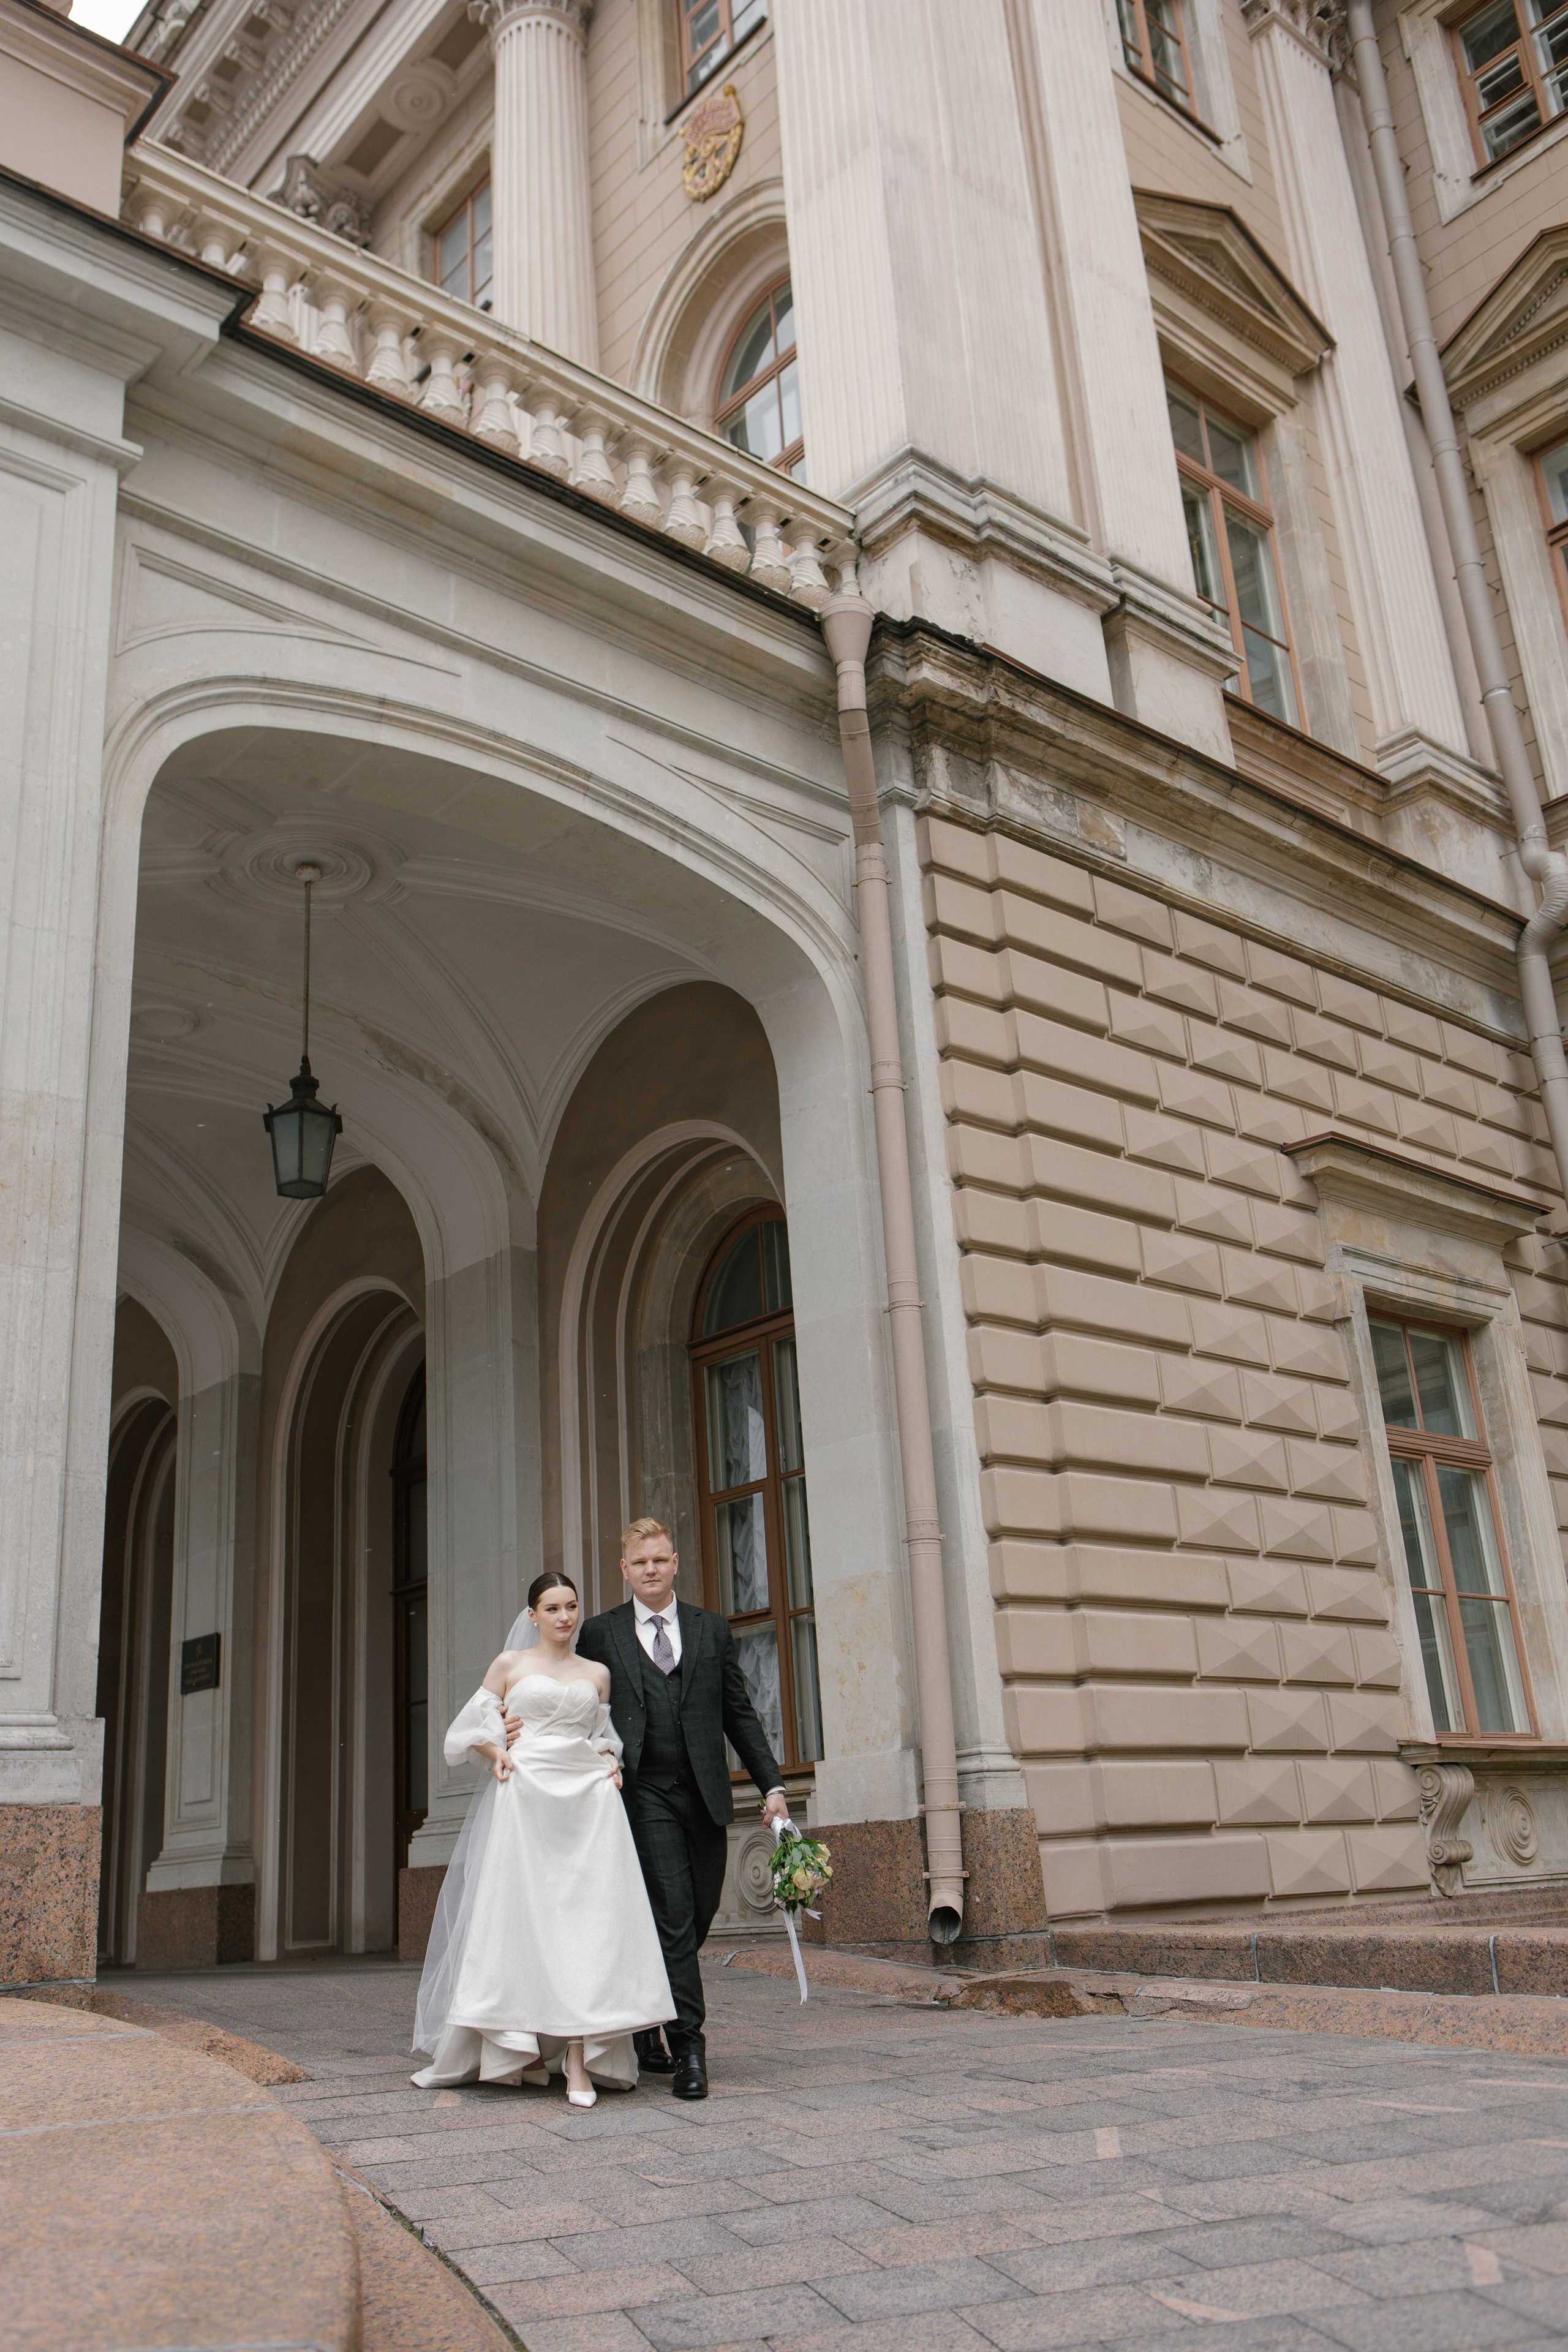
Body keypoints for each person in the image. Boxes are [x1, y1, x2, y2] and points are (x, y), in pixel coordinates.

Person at [537, 1517, 788, 2102]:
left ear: (674, 1564)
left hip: (704, 1793)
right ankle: (690, 2051)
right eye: (640, 1562)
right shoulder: (601, 1633)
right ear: (624, 1570)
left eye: (659, 1560)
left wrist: (773, 1786)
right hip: (641, 1792)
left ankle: (646, 2020)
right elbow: (567, 1688)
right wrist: (520, 1724)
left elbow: (739, 1714)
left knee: (697, 1913)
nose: (650, 1570)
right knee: (675, 1916)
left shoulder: (710, 1629)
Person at [409, 1569, 675, 2106]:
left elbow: (603, 1736)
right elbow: (464, 1732)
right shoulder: (510, 1665)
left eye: (571, 1606)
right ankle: (523, 2047)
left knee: (586, 1925)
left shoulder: (597, 1673)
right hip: (527, 1797)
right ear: (532, 1616)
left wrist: (611, 1759)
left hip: (588, 1805)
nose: (564, 1616)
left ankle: (578, 2055)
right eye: (552, 1608)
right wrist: (496, 1750)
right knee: (526, 1920)